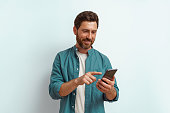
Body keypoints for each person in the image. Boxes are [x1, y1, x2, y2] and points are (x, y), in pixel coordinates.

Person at [49, 11, 119, 113]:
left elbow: (114, 96)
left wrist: (109, 90)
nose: (89, 36)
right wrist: (77, 81)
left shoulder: (103, 60)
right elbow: (54, 92)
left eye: (93, 32)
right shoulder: (61, 57)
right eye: (85, 31)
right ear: (75, 30)